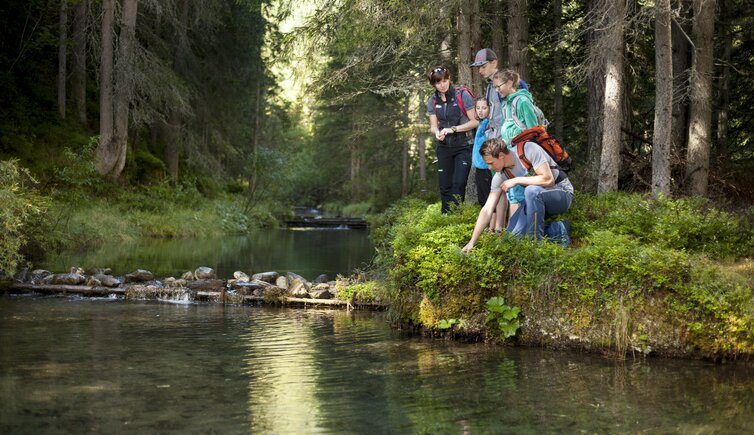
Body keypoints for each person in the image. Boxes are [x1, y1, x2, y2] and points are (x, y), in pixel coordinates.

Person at [462, 138, 574, 252]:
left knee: (531, 191)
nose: (489, 168)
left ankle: (535, 245)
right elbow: (487, 209)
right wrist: (472, 242)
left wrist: (517, 180)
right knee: (511, 238)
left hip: (562, 193)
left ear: (501, 155)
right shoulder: (500, 175)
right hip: (535, 201)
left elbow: (548, 179)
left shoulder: (528, 149)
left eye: (490, 163)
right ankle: (558, 229)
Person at [426, 66, 479, 213]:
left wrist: (453, 129)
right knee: (445, 185)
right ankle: (445, 219)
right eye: (437, 83)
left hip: (464, 145)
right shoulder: (432, 100)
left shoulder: (462, 95)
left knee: (458, 183)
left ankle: (456, 217)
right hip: (444, 147)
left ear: (449, 79)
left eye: (444, 81)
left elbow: (474, 122)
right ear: (433, 84)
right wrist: (437, 132)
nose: (441, 85)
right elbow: (433, 125)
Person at [470, 49, 529, 142]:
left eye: (483, 66)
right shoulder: (490, 85)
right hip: (495, 138)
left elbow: (523, 113)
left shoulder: (509, 83)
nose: (480, 70)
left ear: (494, 63)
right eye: (478, 68)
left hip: (510, 139)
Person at [492, 69, 539, 148]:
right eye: (495, 87)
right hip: (511, 150)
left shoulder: (523, 101)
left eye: (498, 86)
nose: (496, 90)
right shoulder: (506, 103)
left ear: (509, 83)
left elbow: (534, 129)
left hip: (524, 150)